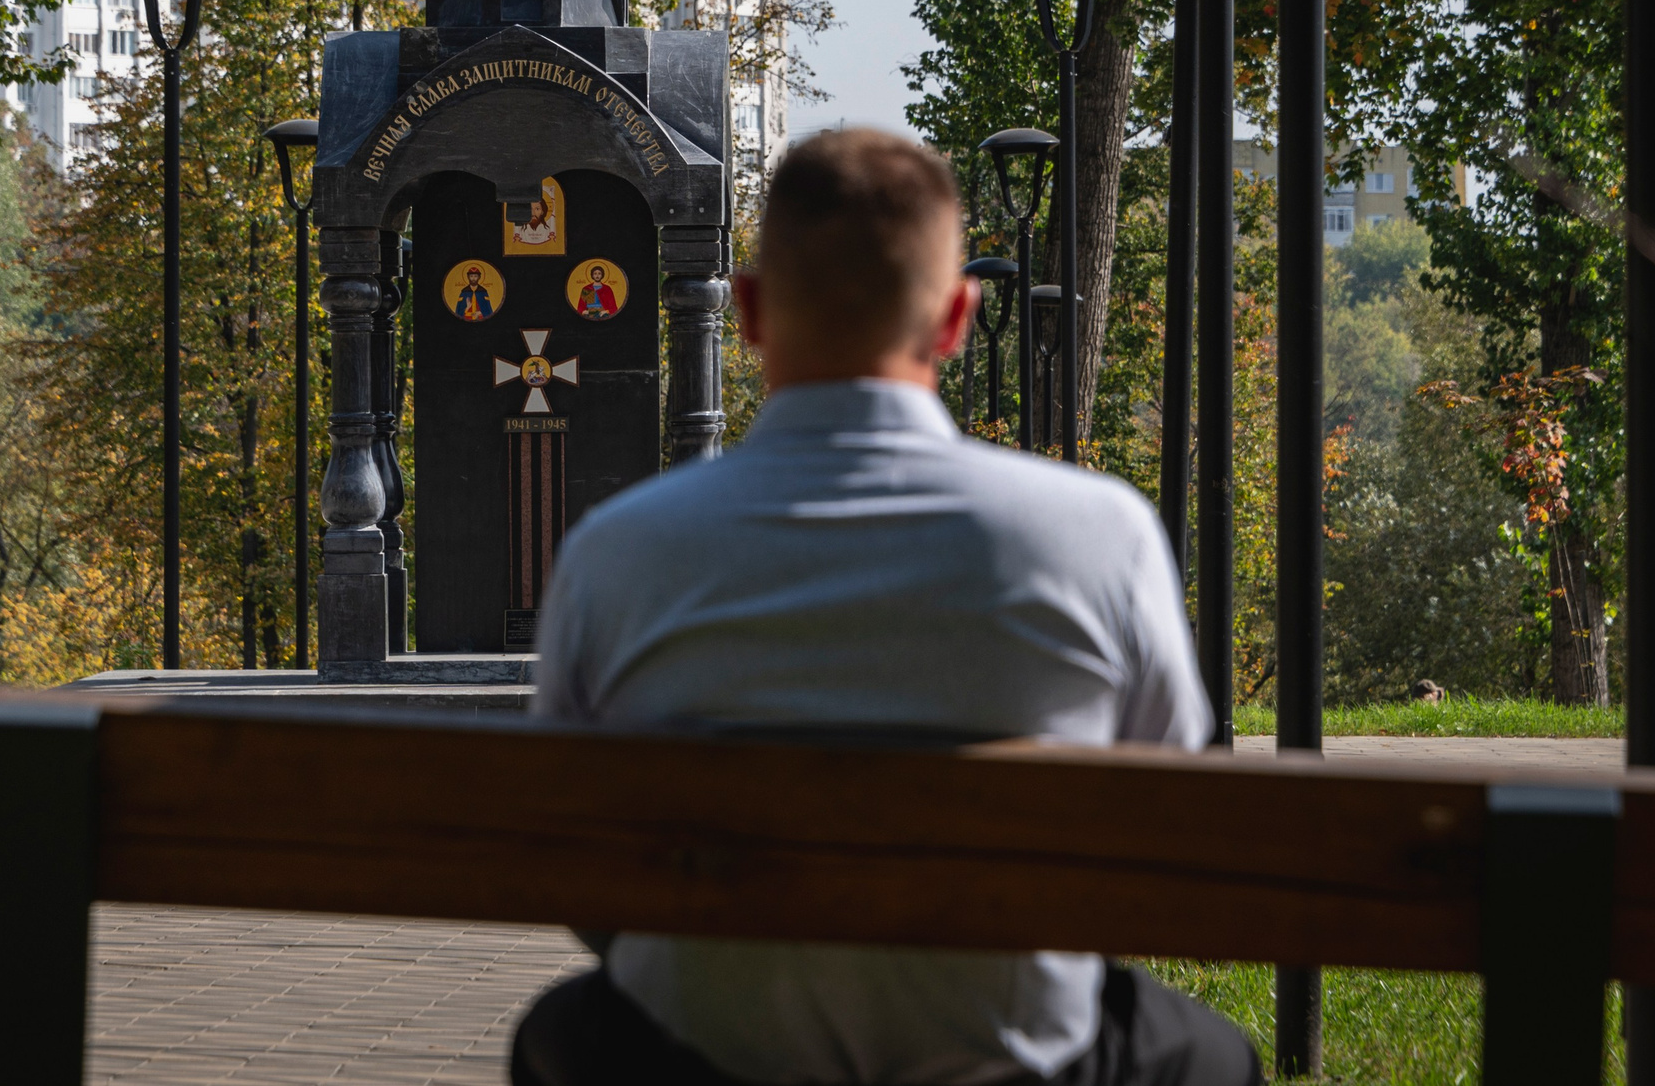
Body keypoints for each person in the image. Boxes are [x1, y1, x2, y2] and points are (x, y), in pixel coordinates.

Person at [514, 128, 1255, 1086]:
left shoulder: (616, 550)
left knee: (564, 1034)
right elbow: (1164, 835)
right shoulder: (1099, 535)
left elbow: (575, 857)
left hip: (701, 1057)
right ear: (954, 317)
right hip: (1021, 1058)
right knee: (1211, 1057)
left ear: (747, 309)